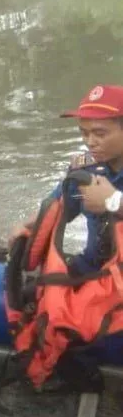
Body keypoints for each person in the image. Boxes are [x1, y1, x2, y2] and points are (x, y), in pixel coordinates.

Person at [10, 85, 123, 275]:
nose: (90, 142)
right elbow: (57, 205)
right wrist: (28, 227)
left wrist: (113, 201)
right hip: (94, 271)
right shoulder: (84, 169)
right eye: (84, 133)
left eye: (100, 134)